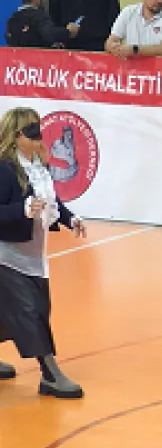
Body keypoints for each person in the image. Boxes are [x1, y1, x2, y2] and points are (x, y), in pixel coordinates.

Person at [0, 107, 87, 399]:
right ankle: (51, 374)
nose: (39, 136)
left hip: (34, 254)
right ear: (16, 136)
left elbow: (51, 204)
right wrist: (21, 210)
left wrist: (69, 218)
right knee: (31, 312)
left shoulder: (39, 166)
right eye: (32, 131)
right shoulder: (4, 168)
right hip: (6, 255)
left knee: (17, 311)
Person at [5, 0, 79, 48]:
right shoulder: (38, 17)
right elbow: (50, 34)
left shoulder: (12, 20)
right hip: (39, 61)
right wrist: (68, 31)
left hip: (20, 61)